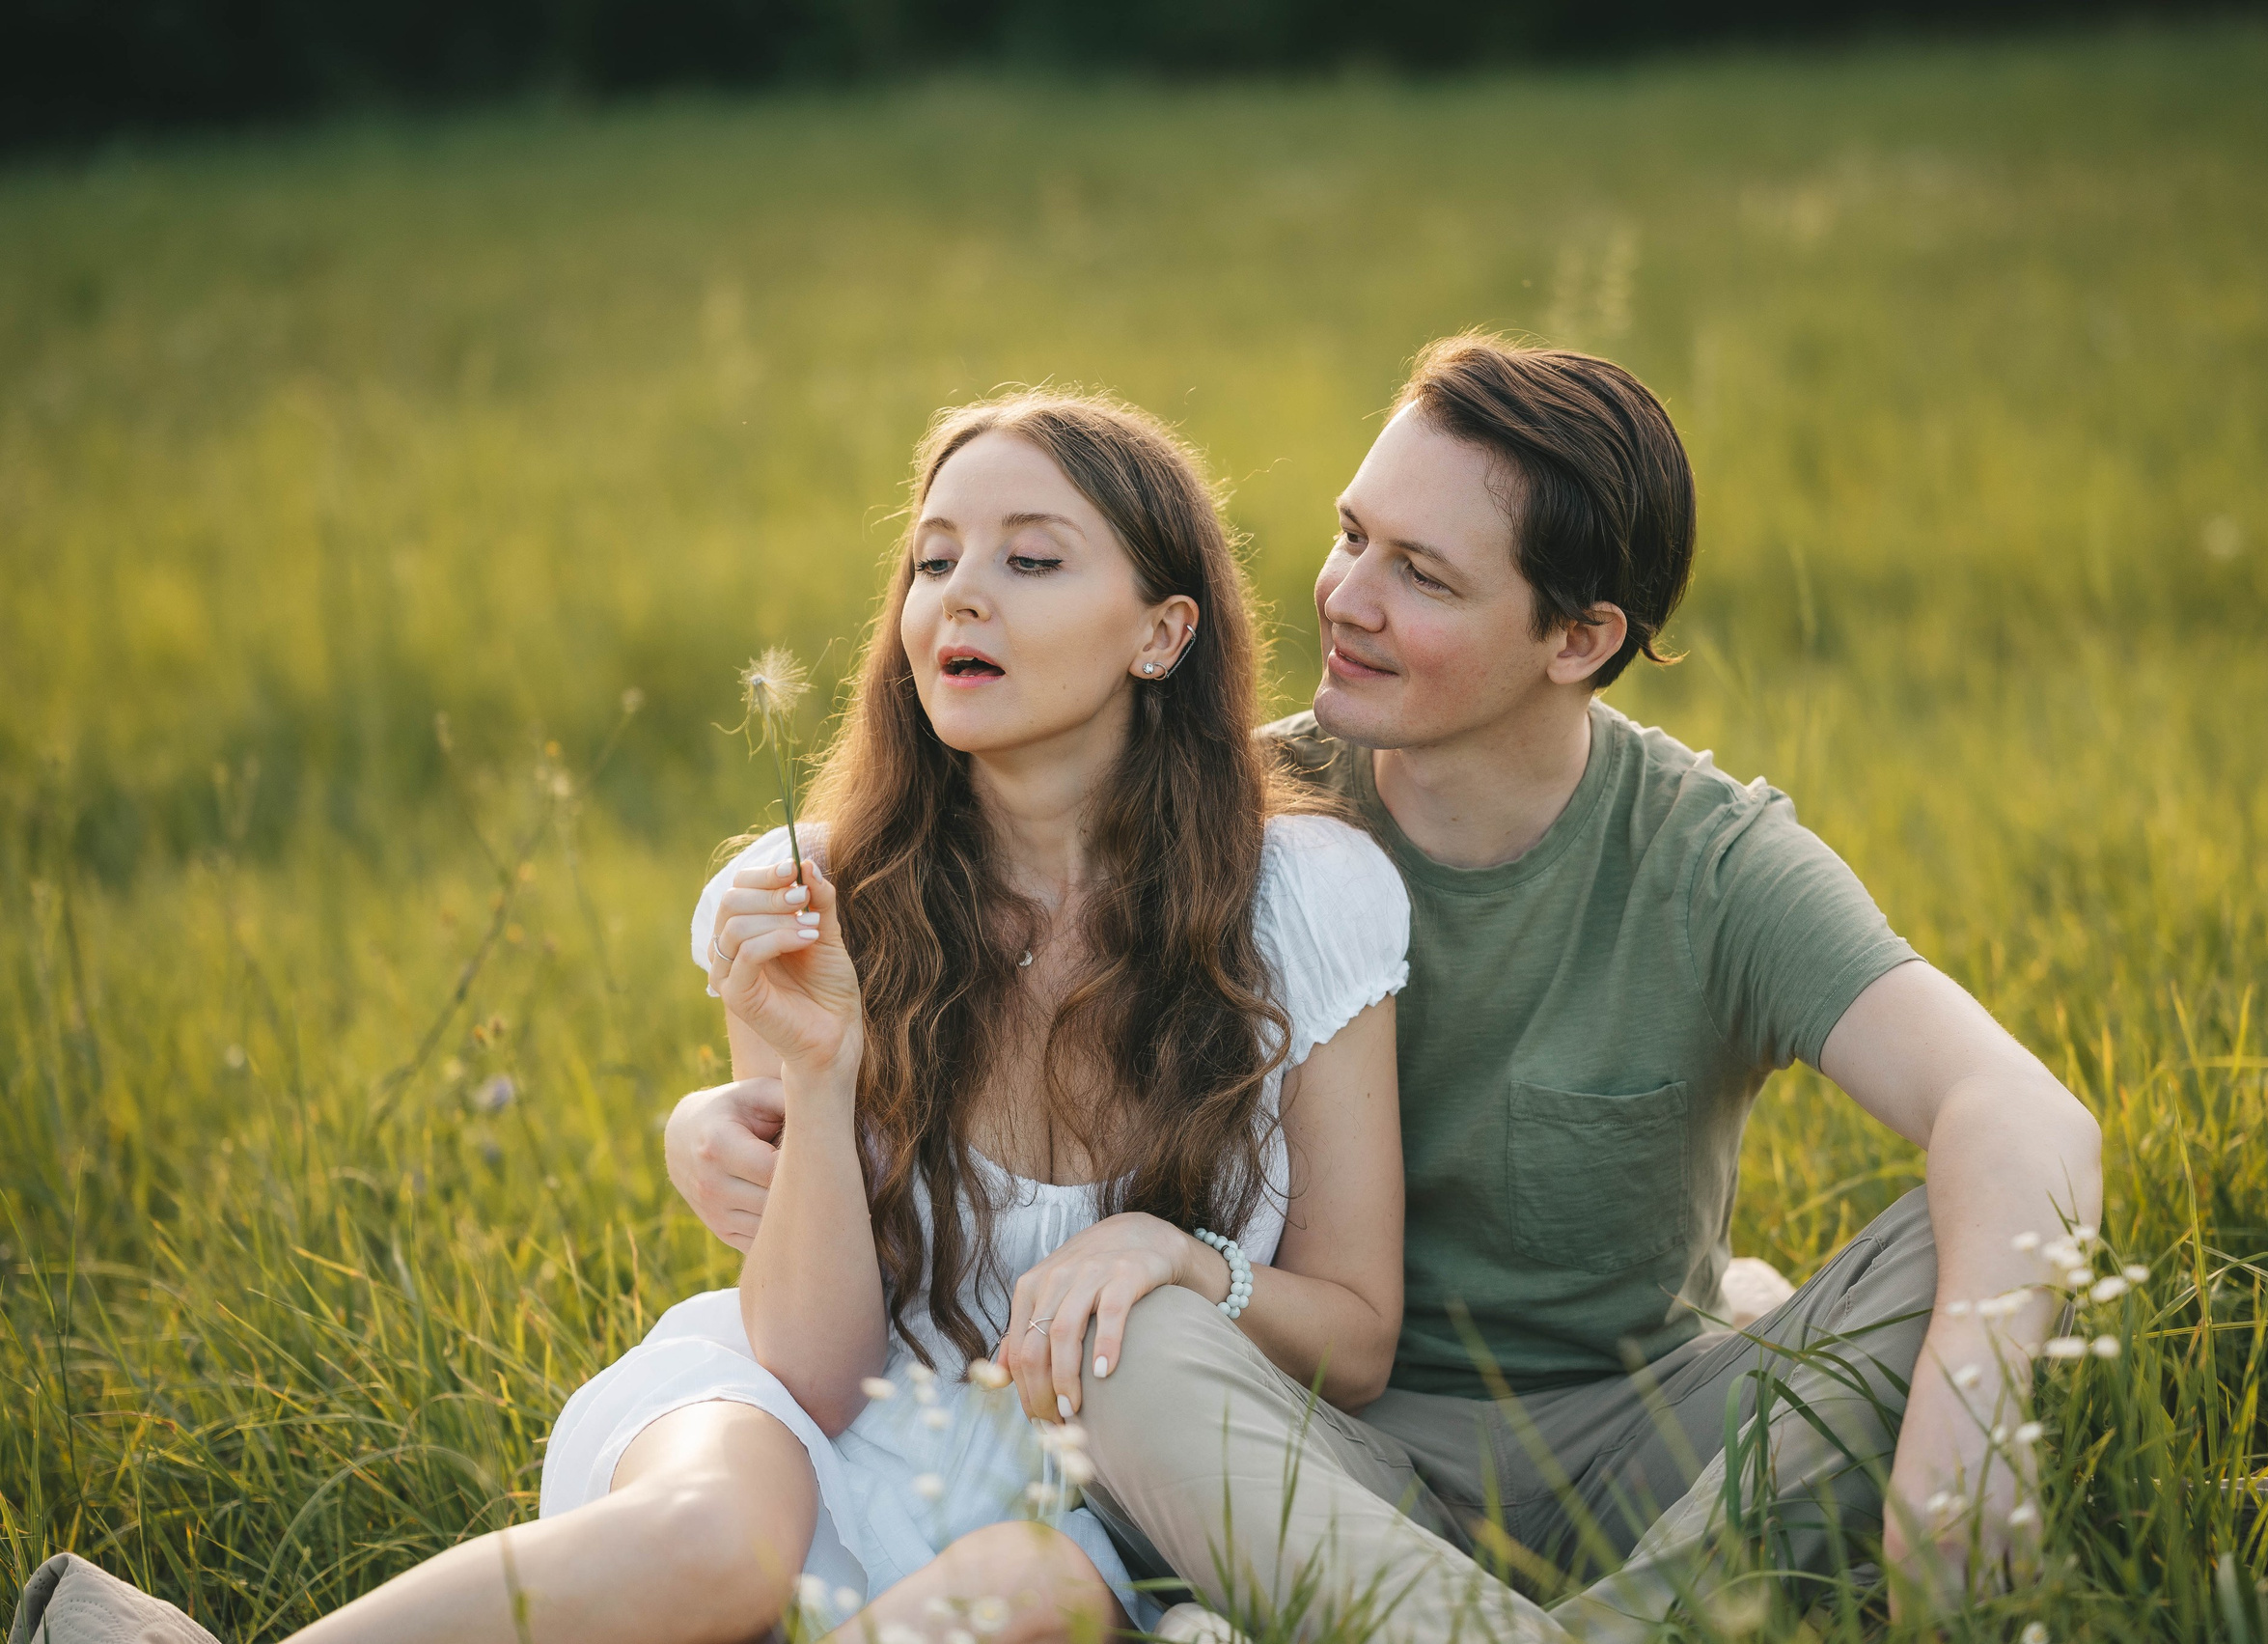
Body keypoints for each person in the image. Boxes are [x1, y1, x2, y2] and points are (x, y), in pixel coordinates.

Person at [667, 335, 2106, 1636]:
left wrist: (1951, 1479)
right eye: (1356, 536)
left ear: (1581, 639)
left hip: (1647, 1443)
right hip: (1297, 1449)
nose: (1346, 599)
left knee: (1965, 1246)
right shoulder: (1232, 813)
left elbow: (2025, 1116)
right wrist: (728, 1117)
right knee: (1133, 1339)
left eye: (1421, 576)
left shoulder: (1711, 864)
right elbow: (948, 910)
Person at [13, 390, 1413, 1644]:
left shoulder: (1302, 897)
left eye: (1029, 560)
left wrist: (1173, 1259)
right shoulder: (807, 897)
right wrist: (816, 1077)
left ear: (1165, 632)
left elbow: (1357, 1336)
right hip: (809, 1410)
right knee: (718, 1542)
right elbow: (818, 1368)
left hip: (1099, 1499)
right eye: (931, 562)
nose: (957, 600)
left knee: (1021, 1592)